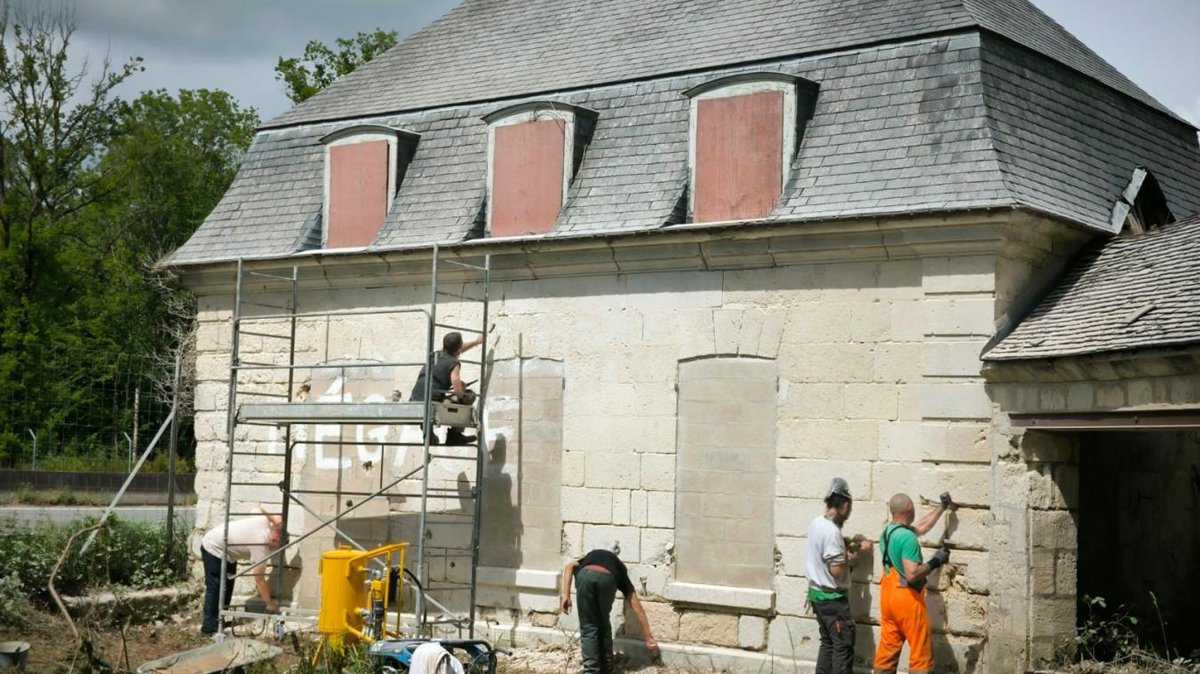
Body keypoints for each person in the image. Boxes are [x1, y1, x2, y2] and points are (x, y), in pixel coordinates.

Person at [872, 492, 954, 674]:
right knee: (920, 653)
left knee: (887, 651)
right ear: (910, 509)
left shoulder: (887, 533)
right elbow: (912, 574)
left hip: (888, 598)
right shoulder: (908, 538)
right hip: (907, 600)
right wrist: (936, 561)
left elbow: (922, 527)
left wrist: (941, 507)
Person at [805, 478, 872, 674]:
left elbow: (827, 552)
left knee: (828, 644)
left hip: (817, 597)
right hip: (833, 602)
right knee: (842, 647)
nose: (848, 514)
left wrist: (850, 546)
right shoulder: (832, 532)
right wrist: (854, 558)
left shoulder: (817, 523)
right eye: (849, 508)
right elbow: (837, 571)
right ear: (844, 505)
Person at [560, 549, 659, 674]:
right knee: (604, 624)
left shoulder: (588, 558)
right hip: (608, 579)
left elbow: (569, 567)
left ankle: (591, 670)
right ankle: (607, 668)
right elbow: (636, 606)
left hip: (585, 576)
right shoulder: (621, 571)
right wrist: (648, 637)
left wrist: (566, 595)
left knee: (589, 626)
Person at [199, 507, 283, 637]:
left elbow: (257, 508)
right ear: (275, 540)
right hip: (213, 546)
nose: (274, 548)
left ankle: (220, 620)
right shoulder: (260, 547)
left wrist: (274, 520)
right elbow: (259, 580)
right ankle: (209, 627)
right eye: (276, 544)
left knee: (227, 585)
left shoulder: (262, 521)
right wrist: (269, 604)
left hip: (227, 552)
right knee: (216, 586)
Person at [410, 331, 484, 445]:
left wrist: (476, 342)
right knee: (469, 396)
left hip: (415, 399)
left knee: (431, 397)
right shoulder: (454, 363)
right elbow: (456, 384)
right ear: (458, 349)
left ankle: (428, 432)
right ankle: (454, 435)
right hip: (433, 402)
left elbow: (455, 350)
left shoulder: (434, 355)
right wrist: (461, 390)